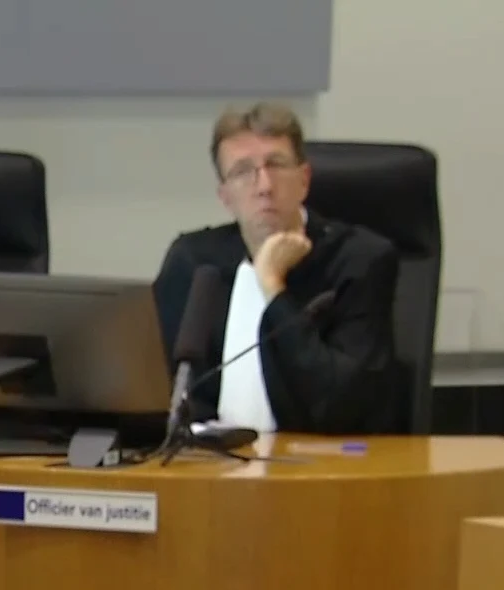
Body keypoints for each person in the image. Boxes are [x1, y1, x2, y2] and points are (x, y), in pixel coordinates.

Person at [152, 102, 405, 435]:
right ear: (225, 196)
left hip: (320, 459)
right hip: (209, 458)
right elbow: (159, 385)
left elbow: (337, 405)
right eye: (243, 171)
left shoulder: (360, 260)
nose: (264, 186)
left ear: (304, 180)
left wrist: (273, 286)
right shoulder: (194, 262)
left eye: (276, 165)